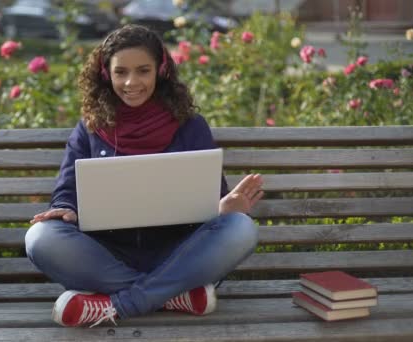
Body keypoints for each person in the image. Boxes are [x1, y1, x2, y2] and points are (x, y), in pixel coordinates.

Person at [25, 24, 264, 328]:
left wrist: (225, 208)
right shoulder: (90, 127)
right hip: (106, 256)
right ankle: (172, 295)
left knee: (241, 228)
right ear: (106, 74)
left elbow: (210, 197)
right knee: (40, 238)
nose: (131, 82)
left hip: (178, 253)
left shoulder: (190, 126)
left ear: (160, 71)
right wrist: (65, 209)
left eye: (143, 71)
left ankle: (119, 304)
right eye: (120, 72)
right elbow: (66, 190)